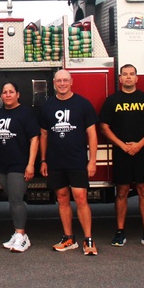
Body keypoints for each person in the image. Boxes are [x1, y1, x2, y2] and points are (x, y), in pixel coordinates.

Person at [98, 64, 144, 248]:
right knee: (122, 193)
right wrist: (122, 146)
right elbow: (103, 127)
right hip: (121, 153)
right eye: (124, 74)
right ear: (119, 78)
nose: (128, 77)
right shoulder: (112, 101)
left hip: (142, 153)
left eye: (131, 74)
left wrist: (139, 145)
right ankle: (120, 232)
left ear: (137, 78)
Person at [40, 69, 100, 255]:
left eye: (66, 80)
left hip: (77, 160)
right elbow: (43, 135)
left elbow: (92, 134)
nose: (62, 83)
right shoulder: (47, 106)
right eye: (59, 81)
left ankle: (88, 240)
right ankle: (69, 238)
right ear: (54, 83)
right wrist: (43, 160)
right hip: (56, 161)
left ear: (72, 81)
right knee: (62, 199)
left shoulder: (83, 104)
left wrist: (92, 161)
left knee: (81, 198)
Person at [0, 81, 39, 253]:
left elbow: (35, 138)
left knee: (17, 200)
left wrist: (31, 164)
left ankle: (22, 235)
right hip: (3, 164)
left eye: (11, 92)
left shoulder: (25, 113)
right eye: (5, 92)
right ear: (1, 96)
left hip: (19, 164)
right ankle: (17, 233)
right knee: (12, 199)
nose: (8, 95)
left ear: (17, 94)